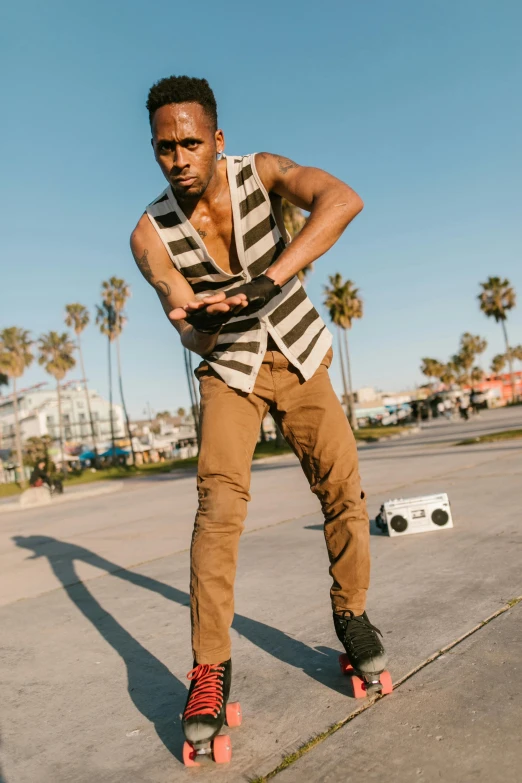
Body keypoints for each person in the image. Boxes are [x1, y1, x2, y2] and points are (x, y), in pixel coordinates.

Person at [130, 75, 387, 750]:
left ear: (217, 139)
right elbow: (181, 315)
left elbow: (343, 200)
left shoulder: (265, 172)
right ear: (154, 150)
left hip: (299, 352)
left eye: (191, 142)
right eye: (165, 147)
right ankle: (210, 667)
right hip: (230, 369)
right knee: (217, 508)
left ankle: (353, 617)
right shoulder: (149, 234)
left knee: (342, 488)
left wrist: (271, 279)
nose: (180, 157)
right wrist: (200, 322)